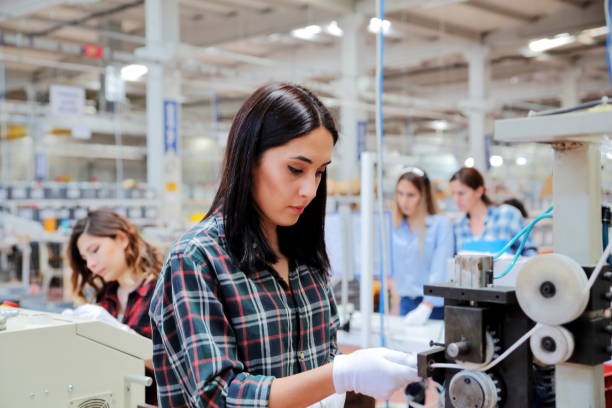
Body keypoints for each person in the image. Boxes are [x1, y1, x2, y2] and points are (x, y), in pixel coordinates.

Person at [149, 83, 419, 408]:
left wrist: (351, 383)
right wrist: (341, 374)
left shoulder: (305, 257)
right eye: (296, 169)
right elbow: (218, 396)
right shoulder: (197, 258)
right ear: (249, 160)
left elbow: (319, 363)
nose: (310, 190)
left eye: (319, 173)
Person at [66, 209, 162, 405]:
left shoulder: (162, 292)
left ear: (121, 239)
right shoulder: (105, 298)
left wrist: (120, 333)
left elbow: (177, 365)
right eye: (85, 258)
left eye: (95, 250)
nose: (91, 264)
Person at [389, 168, 454, 325]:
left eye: (411, 195)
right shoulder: (394, 226)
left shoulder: (441, 224)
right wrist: (395, 302)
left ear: (423, 196)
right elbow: (390, 268)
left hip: (435, 306)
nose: (404, 201)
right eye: (400, 193)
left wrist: (427, 305)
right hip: (405, 302)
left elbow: (441, 268)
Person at [449, 167, 536, 255]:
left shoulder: (508, 215)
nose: (456, 199)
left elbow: (530, 252)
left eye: (461, 193)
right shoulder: (457, 226)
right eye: (453, 194)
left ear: (479, 191)